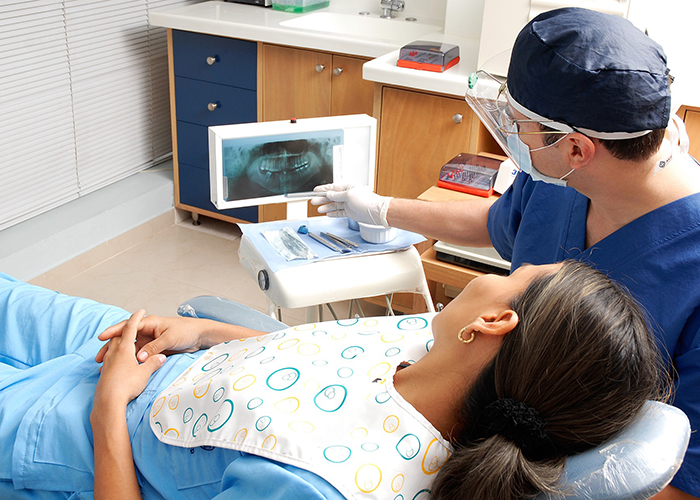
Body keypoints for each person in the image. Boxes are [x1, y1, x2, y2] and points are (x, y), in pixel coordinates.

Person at [312, 7, 700, 499]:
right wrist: (383, 209)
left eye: (518, 127)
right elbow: (500, 223)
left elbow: (677, 482)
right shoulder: (561, 178)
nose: (511, 138)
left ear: (576, 148)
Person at [0, 261, 663, 499]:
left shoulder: (314, 484)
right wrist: (201, 333)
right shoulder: (436, 354)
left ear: (493, 320)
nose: (496, 273)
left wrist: (109, 409)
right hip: (157, 354)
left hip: (86, 431)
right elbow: (316, 357)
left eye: (513, 274)